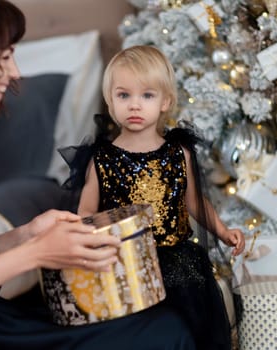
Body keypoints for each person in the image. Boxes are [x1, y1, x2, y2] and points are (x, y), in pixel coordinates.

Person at [0, 1, 197, 349]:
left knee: (159, 324)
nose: (14, 72)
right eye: (4, 57)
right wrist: (36, 253)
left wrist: (27, 235)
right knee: (163, 332)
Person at [74, 45, 245, 350]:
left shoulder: (178, 153)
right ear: (111, 102)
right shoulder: (101, 159)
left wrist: (222, 231)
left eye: (147, 95)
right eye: (124, 95)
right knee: (137, 335)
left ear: (165, 101)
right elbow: (87, 213)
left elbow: (194, 202)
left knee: (186, 330)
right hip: (126, 263)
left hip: (177, 260)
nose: (134, 105)